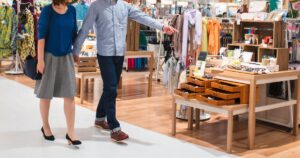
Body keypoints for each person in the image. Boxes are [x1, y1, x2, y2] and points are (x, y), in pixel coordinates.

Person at [73, 0, 176, 142]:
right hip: (104, 54)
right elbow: (85, 28)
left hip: (120, 53)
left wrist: (162, 27)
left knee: (111, 87)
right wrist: (76, 50)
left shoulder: (124, 6)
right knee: (110, 88)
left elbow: (142, 17)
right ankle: (115, 128)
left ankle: (99, 118)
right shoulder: (96, 6)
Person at [35, 0, 81, 146]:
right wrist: (40, 60)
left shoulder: (72, 10)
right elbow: (41, 37)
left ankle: (71, 132)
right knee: (45, 94)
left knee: (70, 94)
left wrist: (76, 52)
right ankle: (46, 127)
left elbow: (74, 33)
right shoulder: (47, 11)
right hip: (49, 57)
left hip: (66, 56)